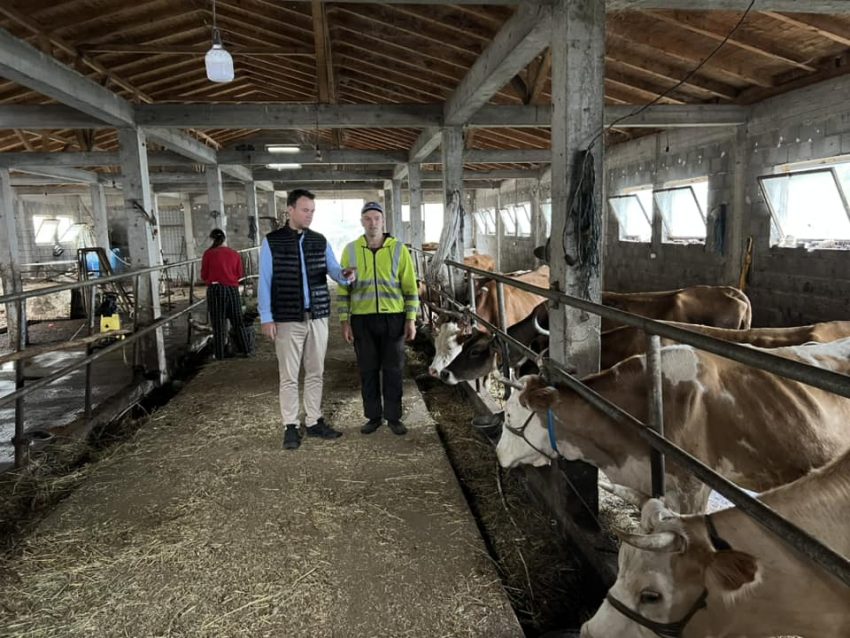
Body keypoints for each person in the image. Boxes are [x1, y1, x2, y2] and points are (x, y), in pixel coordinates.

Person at [259, 189, 355, 451]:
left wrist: (345, 275)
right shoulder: (272, 242)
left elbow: (333, 269)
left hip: (317, 317)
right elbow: (265, 281)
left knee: (315, 372)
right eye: (305, 210)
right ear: (290, 210)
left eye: (312, 211)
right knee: (289, 375)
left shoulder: (319, 240)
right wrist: (266, 317)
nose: (309, 215)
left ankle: (313, 421)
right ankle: (290, 425)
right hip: (287, 318)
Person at [339, 202, 419, 436]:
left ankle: (393, 417)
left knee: (393, 369)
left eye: (376, 218)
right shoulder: (350, 250)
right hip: (362, 320)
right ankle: (373, 416)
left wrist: (411, 319)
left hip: (393, 318)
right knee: (368, 369)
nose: (372, 223)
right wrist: (344, 321)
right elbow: (343, 289)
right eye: (368, 219)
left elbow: (410, 287)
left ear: (383, 221)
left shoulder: (399, 250)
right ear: (362, 222)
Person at [200, 228, 253, 360]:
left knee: (218, 324)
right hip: (232, 289)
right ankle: (246, 350)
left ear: (212, 239)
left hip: (215, 290)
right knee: (238, 321)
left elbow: (204, 275)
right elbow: (239, 274)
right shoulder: (234, 254)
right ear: (224, 239)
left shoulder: (208, 254)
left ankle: (220, 355)